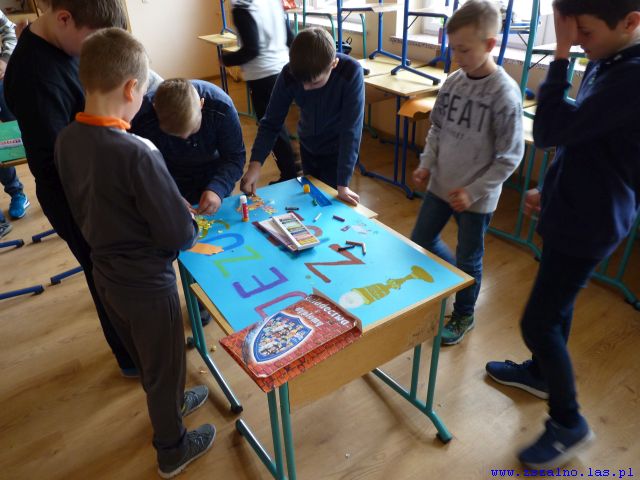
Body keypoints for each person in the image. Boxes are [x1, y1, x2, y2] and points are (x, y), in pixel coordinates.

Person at [55, 28, 215, 478]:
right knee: (164, 363)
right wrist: (185, 219)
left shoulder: (66, 139)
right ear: (130, 89)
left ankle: (172, 402)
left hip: (106, 275)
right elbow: (178, 233)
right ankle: (172, 448)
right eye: (143, 93)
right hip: (148, 284)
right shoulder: (140, 152)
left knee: (150, 361)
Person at [486, 0, 640, 468]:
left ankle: (569, 421)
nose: (578, 42)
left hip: (591, 222)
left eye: (584, 33)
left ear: (631, 22)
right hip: (573, 207)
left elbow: (551, 129)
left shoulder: (631, 77)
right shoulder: (610, 58)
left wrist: (559, 55)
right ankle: (540, 373)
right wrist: (549, 189)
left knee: (538, 322)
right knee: (558, 306)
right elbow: (582, 140)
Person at [4, 0, 137, 376]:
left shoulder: (59, 44)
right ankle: (133, 358)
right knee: (106, 275)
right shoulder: (36, 77)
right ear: (64, 18)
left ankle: (138, 345)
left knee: (113, 272)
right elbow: (58, 165)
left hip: (94, 187)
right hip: (77, 199)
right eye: (92, 39)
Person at [410, 0, 523, 345]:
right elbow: (437, 129)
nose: (455, 56)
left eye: (464, 49)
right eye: (453, 47)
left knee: (470, 257)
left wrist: (472, 191)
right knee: (421, 239)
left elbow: (510, 157)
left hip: (476, 199)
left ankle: (464, 313)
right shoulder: (453, 82)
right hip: (441, 184)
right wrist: (426, 164)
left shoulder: (504, 93)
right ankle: (455, 280)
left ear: (489, 44)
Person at [130, 78, 246, 325]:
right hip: (169, 176)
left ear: (202, 104)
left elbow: (235, 157)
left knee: (213, 241)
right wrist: (168, 193)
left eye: (191, 130)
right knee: (180, 242)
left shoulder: (221, 107)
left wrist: (217, 189)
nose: (184, 137)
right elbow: (143, 167)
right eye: (175, 134)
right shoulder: (141, 117)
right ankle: (189, 294)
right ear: (156, 112)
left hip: (213, 172)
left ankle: (212, 295)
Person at [241, 27, 364, 206]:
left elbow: (351, 130)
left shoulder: (351, 72)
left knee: (328, 205)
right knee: (311, 199)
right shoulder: (289, 72)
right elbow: (271, 122)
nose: (305, 88)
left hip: (336, 152)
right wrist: (255, 165)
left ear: (334, 64)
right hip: (308, 146)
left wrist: (343, 184)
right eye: (302, 82)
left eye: (314, 82)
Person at [221, 0, 301, 183]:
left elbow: (251, 50)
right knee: (276, 124)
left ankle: (290, 172)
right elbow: (290, 38)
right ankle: (292, 166)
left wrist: (225, 59)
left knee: (271, 126)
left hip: (262, 74)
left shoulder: (241, 5)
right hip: (284, 68)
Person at [0, 9, 29, 238]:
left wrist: (4, 59)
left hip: (1, 83)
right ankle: (15, 192)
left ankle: (21, 194)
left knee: (22, 137)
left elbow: (8, 29)